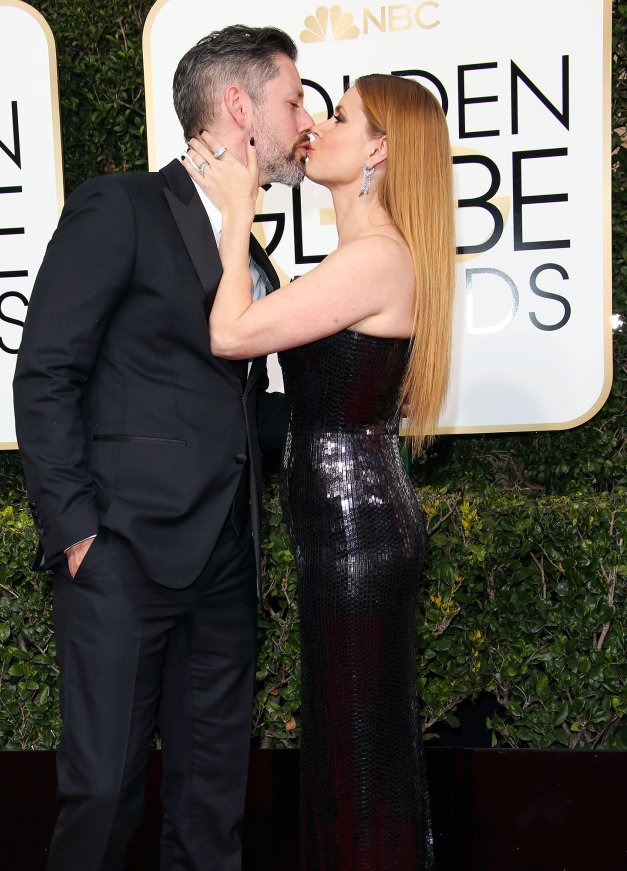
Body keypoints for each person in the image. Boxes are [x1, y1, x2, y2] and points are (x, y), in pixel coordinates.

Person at [13, 25, 312, 871]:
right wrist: (77, 534)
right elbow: (45, 373)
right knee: (104, 795)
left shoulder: (248, 247)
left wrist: (352, 423)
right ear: (236, 106)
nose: (305, 121)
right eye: (292, 99)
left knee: (212, 806)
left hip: (224, 565)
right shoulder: (122, 206)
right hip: (121, 558)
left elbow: (233, 412)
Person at [183, 73, 455, 869]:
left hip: (354, 536)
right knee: (353, 748)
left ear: (377, 150)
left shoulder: (373, 259)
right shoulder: (364, 256)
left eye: (338, 117)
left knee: (358, 756)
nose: (316, 128)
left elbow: (230, 335)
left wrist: (238, 213)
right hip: (347, 531)